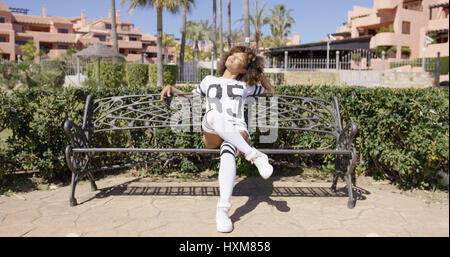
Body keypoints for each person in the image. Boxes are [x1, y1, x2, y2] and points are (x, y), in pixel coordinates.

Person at [160, 45, 275, 233]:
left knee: (228, 152)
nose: (232, 58)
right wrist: (172, 88)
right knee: (213, 115)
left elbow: (269, 91)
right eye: (232, 55)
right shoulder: (209, 80)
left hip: (237, 132)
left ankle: (222, 211)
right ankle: (254, 156)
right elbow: (191, 97)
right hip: (213, 132)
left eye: (239, 59)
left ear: (244, 69)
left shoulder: (246, 85)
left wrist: (257, 71)